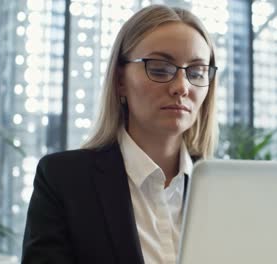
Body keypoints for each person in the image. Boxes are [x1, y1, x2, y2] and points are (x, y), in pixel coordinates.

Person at [21, 4, 218, 264]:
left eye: (196, 72)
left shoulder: (225, 189)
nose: (181, 87)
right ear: (120, 81)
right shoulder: (64, 180)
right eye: (159, 68)